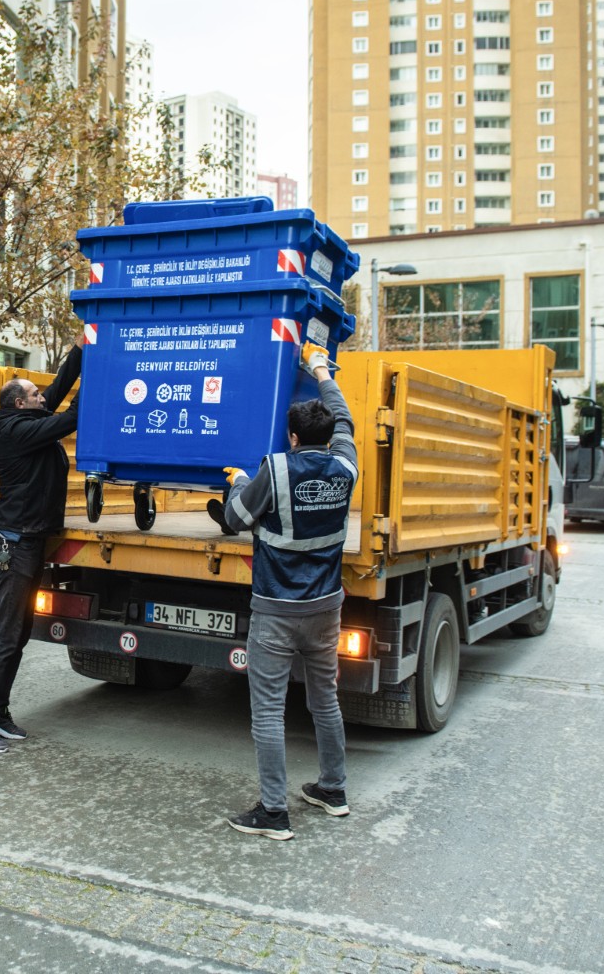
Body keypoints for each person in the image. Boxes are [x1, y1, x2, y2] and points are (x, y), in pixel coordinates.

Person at [219, 347, 356, 840]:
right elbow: (345, 419)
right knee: (325, 700)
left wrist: (238, 483)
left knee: (268, 711)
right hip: (326, 609)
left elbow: (236, 520)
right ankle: (333, 790)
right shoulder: (346, 466)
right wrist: (320, 368)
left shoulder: (275, 470)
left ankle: (274, 812)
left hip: (276, 610)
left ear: (293, 438)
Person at [0, 343, 83, 755]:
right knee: (6, 633)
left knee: (20, 631)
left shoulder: (23, 420)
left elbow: (59, 389)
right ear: (18, 403)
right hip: (17, 545)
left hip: (29, 539)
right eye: (36, 396)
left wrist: (82, 349)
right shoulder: (16, 432)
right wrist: (99, 380)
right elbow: (71, 416)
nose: (43, 399)